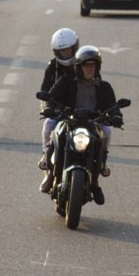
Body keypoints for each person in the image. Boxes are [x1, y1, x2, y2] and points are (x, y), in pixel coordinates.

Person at [46, 45, 122, 205]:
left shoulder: (104, 87)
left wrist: (116, 116)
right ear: (78, 67)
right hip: (70, 120)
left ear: (97, 67)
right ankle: (51, 171)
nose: (90, 69)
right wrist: (50, 108)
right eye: (86, 66)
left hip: (93, 123)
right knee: (56, 133)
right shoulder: (67, 82)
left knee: (106, 132)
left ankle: (97, 177)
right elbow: (52, 97)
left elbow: (113, 106)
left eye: (93, 65)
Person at [39, 27, 80, 192]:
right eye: (62, 51)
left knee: (103, 131)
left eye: (69, 49)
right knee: (49, 125)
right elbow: (44, 91)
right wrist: (48, 107)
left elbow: (97, 87)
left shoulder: (85, 63)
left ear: (75, 47)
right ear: (56, 52)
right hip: (59, 110)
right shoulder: (52, 67)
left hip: (83, 110)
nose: (66, 53)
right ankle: (47, 164)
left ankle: (101, 164)